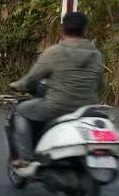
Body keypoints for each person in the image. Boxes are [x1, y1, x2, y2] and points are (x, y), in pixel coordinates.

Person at [9, 12, 106, 177]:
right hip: (87, 109)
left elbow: (31, 79)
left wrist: (15, 85)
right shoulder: (96, 55)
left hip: (57, 107)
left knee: (20, 111)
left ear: (63, 30)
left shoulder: (54, 52)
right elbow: (101, 86)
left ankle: (26, 158)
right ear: (84, 30)